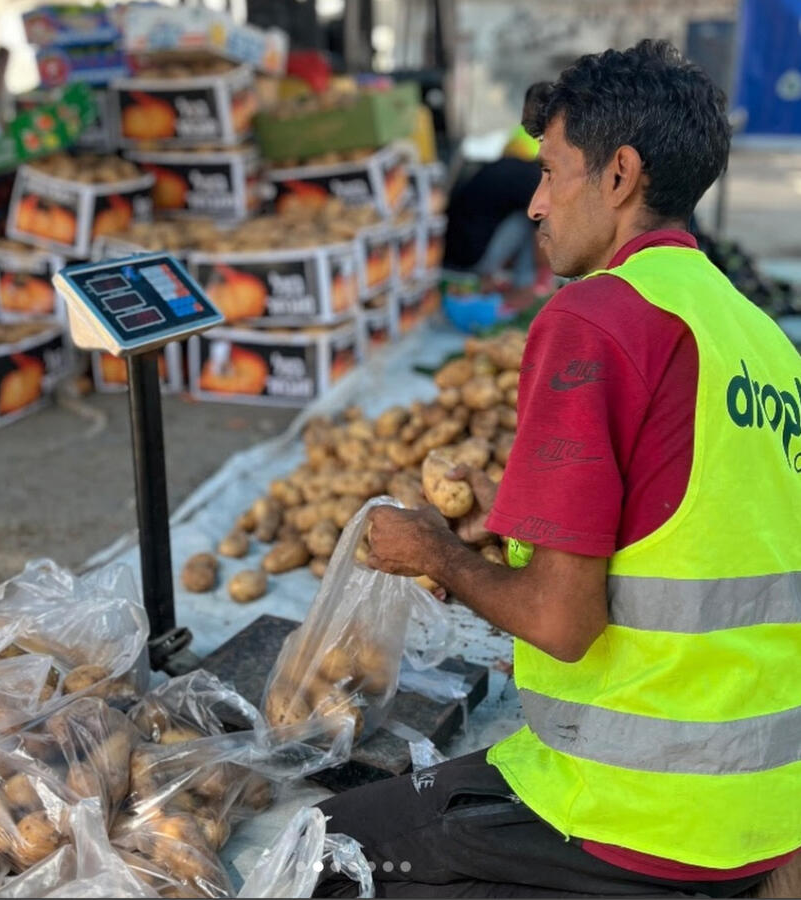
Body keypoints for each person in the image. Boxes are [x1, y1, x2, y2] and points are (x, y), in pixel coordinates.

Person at [316, 39, 800, 898]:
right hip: (764, 812)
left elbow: (562, 623)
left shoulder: (596, 319)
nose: (535, 202)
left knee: (328, 850)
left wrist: (441, 555)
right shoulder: (760, 338)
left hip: (641, 813)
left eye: (550, 172)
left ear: (619, 176)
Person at [443, 83, 553, 307]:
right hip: (469, 261)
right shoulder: (532, 179)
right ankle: (523, 292)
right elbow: (542, 245)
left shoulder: (507, 165)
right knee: (532, 221)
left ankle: (516, 288)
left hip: (451, 254)